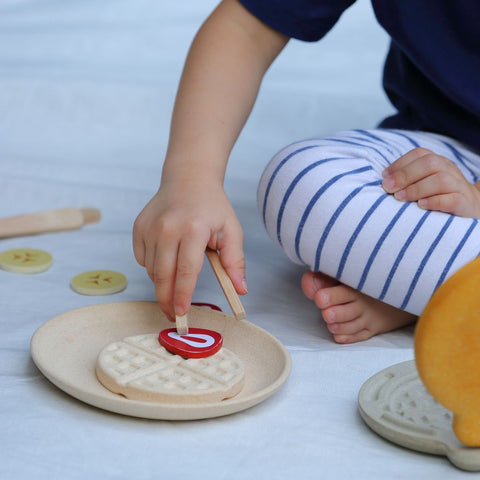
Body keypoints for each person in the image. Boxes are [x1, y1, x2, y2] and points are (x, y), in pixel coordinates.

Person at [132, 0, 480, 343]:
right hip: (442, 143)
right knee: (301, 186)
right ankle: (434, 286)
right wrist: (191, 176)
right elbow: (246, 25)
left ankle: (426, 290)